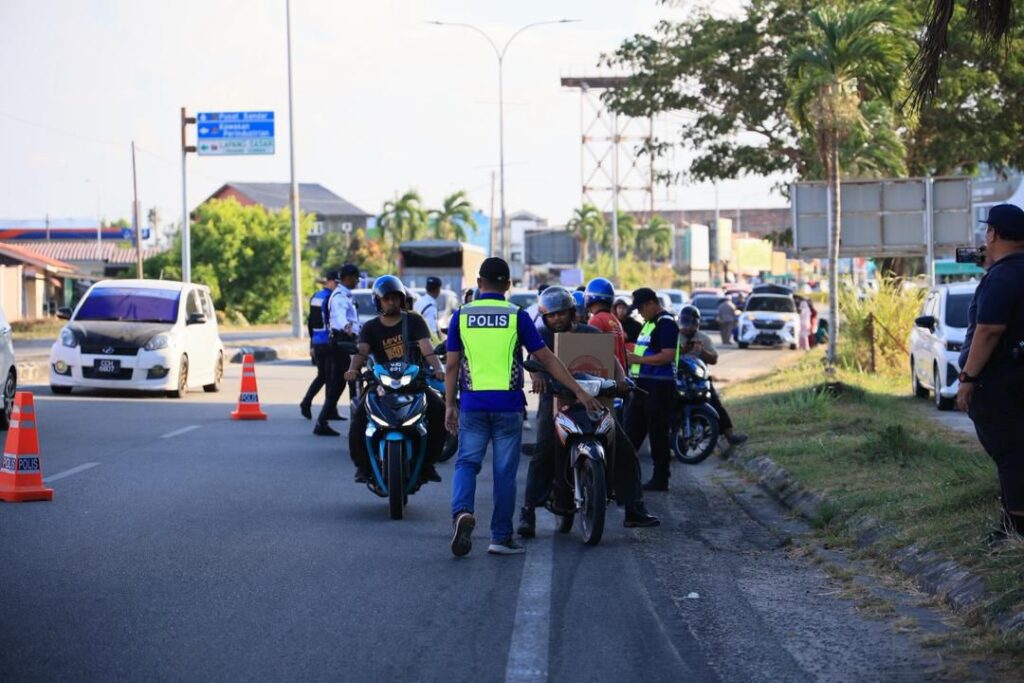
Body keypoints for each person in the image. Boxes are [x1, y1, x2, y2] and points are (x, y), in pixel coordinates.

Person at [445, 257, 603, 557]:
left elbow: (452, 365)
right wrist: (579, 390)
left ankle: (462, 512)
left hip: (473, 404)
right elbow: (547, 359)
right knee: (504, 473)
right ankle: (500, 537)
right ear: (507, 284)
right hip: (508, 406)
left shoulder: (461, 316)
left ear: (479, 283)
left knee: (466, 463)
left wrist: (449, 405)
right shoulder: (516, 315)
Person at [518, 286, 659, 537]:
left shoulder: (591, 333)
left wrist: (621, 379)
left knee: (623, 447)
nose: (557, 319)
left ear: (572, 312)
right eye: (551, 315)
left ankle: (634, 508)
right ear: (545, 317)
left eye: (561, 313)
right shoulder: (541, 336)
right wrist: (537, 377)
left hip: (595, 400)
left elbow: (612, 360)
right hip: (556, 399)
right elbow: (534, 360)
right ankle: (528, 512)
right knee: (544, 450)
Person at [955, 203, 1024, 543]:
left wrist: (967, 379)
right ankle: (1009, 520)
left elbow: (988, 331)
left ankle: (1015, 531)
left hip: (999, 382)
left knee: (1010, 453)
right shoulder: (1007, 272)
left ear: (993, 233)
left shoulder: (1001, 278)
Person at [345, 275, 445, 484]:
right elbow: (362, 351)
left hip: (413, 382)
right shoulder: (370, 327)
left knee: (439, 409)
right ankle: (363, 467)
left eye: (395, 298)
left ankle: (428, 464)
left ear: (402, 299)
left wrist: (438, 368)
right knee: (359, 419)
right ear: (378, 301)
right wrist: (353, 369)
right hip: (380, 385)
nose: (391, 302)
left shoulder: (414, 320)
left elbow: (426, 347)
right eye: (387, 298)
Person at [624, 288, 679, 491]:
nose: (639, 313)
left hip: (659, 387)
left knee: (658, 434)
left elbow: (668, 355)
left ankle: (661, 478)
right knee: (631, 433)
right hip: (642, 386)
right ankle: (622, 478)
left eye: (640, 308)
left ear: (651, 303)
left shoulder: (666, 323)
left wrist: (639, 359)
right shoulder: (649, 324)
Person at [676, 305, 748, 448]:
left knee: (715, 403)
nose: (687, 327)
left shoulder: (703, 338)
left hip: (699, 378)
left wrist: (701, 351)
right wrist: (681, 350)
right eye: (684, 323)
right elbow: (666, 355)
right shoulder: (674, 336)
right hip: (678, 377)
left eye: (690, 324)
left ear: (696, 323)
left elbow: (714, 359)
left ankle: (730, 435)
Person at [315, 263, 361, 436]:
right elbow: (340, 317)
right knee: (352, 378)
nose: (357, 281)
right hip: (342, 341)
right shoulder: (340, 296)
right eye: (355, 278)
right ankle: (356, 423)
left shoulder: (345, 294)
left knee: (340, 382)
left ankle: (323, 421)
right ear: (348, 278)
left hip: (341, 341)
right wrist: (348, 328)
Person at [300, 269, 337, 419]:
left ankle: (327, 409)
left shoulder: (316, 296)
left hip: (317, 341)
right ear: (331, 282)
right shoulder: (331, 298)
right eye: (337, 283)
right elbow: (333, 321)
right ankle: (310, 403)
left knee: (325, 376)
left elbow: (311, 322)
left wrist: (312, 343)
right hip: (328, 341)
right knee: (329, 376)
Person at [584, 277, 627, 369]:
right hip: (619, 372)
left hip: (606, 372)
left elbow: (590, 352)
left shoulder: (596, 320)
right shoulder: (615, 320)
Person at [414, 276, 444, 342]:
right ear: (437, 290)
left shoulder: (418, 302)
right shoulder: (431, 307)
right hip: (425, 342)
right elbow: (432, 332)